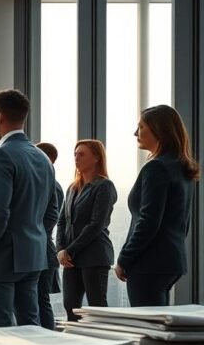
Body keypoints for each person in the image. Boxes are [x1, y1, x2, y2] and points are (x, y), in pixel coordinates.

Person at [0, 89, 58, 327]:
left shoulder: (0, 155)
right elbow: (52, 212)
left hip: (0, 256)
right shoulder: (42, 158)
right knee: (30, 326)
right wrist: (33, 234)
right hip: (33, 255)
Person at [116, 105, 199, 306]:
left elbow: (148, 221)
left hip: (149, 263)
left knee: (147, 328)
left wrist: (124, 259)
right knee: (159, 327)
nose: (136, 132)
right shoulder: (180, 167)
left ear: (158, 129)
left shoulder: (156, 168)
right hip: (171, 261)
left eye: (141, 127)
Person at [57, 140, 117, 321]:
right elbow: (62, 222)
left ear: (96, 158)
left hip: (93, 256)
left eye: (81, 154)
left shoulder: (104, 186)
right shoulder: (72, 188)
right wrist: (60, 249)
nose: (76, 158)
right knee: (70, 306)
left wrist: (70, 250)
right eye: (75, 154)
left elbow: (96, 225)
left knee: (97, 307)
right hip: (71, 259)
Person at [34, 142, 64, 330]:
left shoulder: (51, 185)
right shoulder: (48, 183)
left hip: (42, 252)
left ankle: (47, 339)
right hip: (42, 251)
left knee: (40, 300)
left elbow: (49, 219)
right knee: (37, 300)